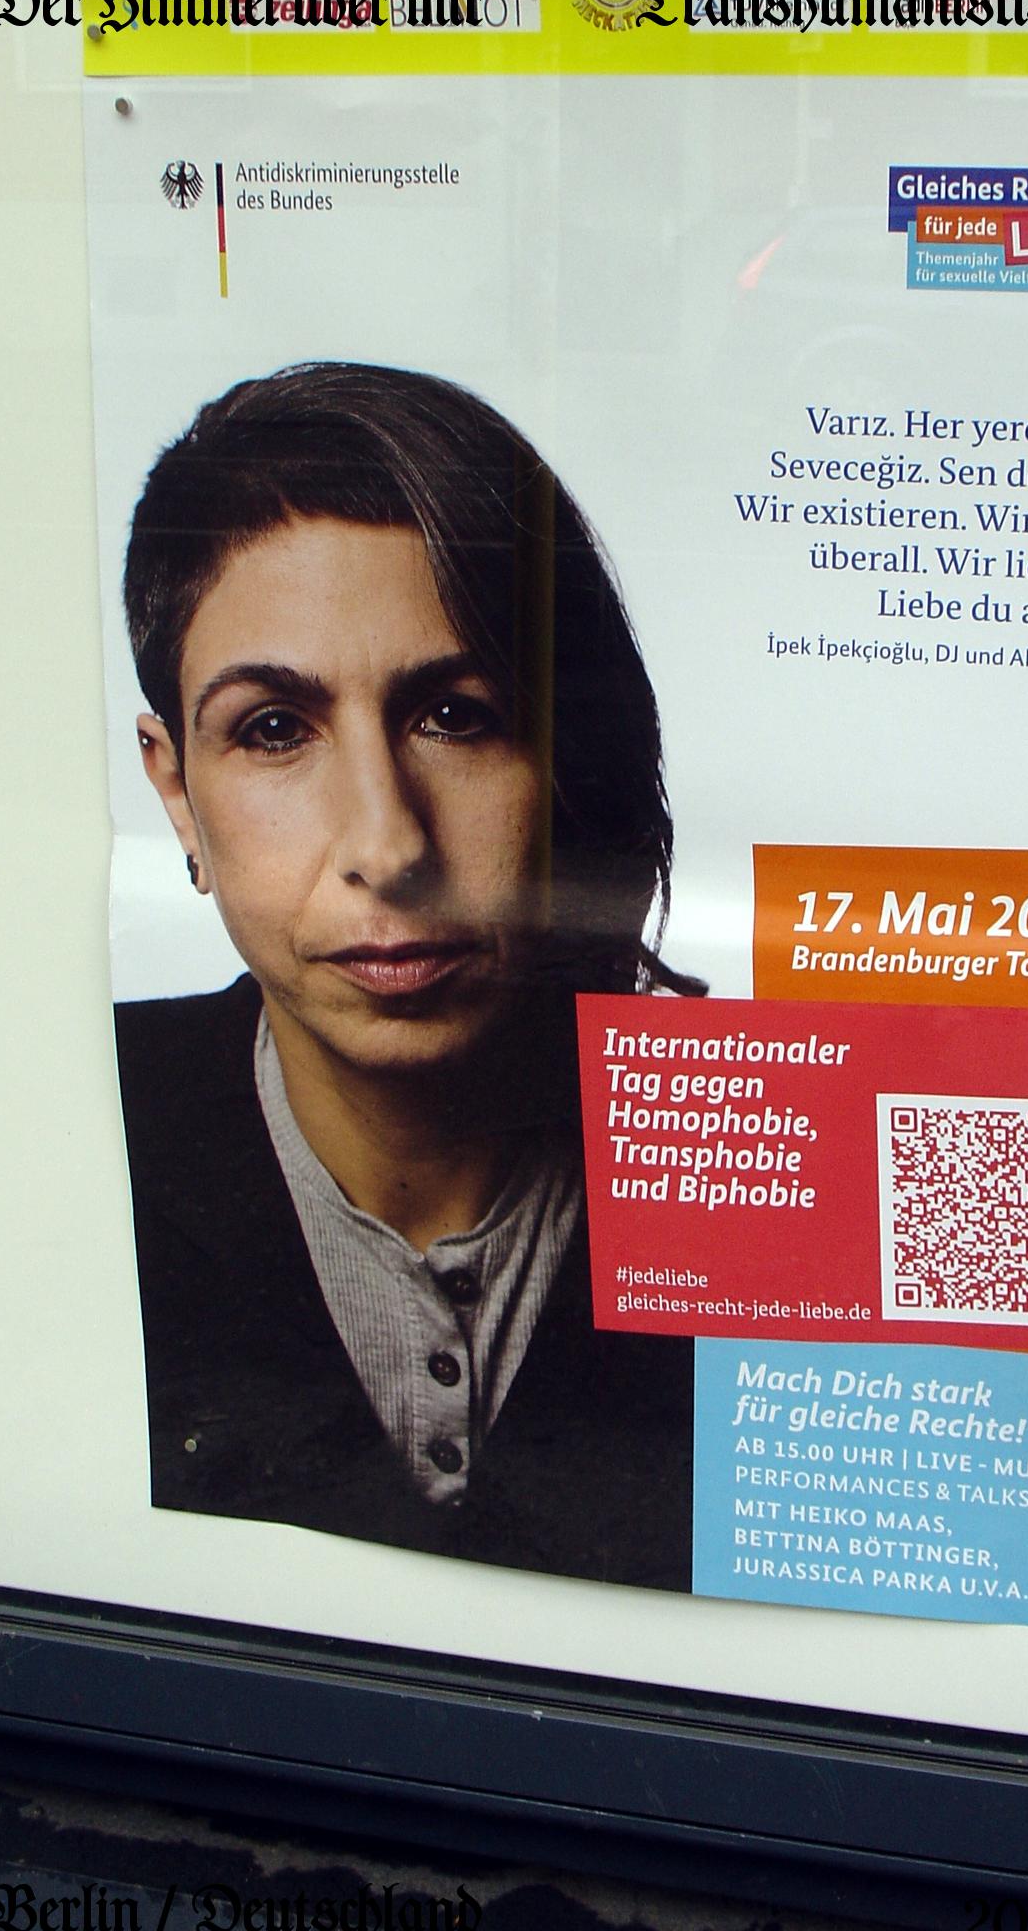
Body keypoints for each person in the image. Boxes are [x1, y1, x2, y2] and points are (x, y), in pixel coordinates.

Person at [114, 360, 698, 1590]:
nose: (387, 847)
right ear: (176, 791)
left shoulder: (751, 1141)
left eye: (457, 715)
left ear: (569, 757)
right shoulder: (59, 1124)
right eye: (274, 728)